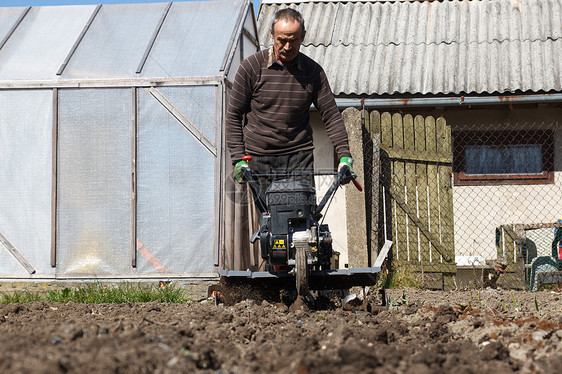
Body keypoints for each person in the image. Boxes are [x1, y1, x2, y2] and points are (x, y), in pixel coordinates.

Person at [225, 8, 353, 194]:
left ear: (303, 36)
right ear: (271, 35)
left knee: (302, 215)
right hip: (259, 159)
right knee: (271, 218)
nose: (287, 47)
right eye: (282, 40)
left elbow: (331, 116)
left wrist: (344, 156)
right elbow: (234, 115)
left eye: (293, 40)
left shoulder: (313, 72)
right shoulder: (251, 68)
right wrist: (238, 159)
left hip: (299, 158)